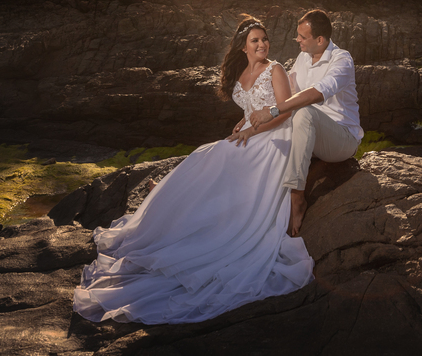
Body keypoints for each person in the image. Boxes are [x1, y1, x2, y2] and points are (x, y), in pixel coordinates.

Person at [73, 16, 314, 325]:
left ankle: (186, 205)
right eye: (255, 40)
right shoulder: (241, 73)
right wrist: (244, 121)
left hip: (276, 140)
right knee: (209, 154)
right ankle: (172, 202)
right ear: (243, 46)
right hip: (255, 133)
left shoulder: (275, 69)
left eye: (264, 39)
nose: (262, 44)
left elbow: (284, 112)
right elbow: (252, 108)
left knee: (219, 153)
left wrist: (251, 132)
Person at [245, 9, 362, 236]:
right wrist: (249, 118)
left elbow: (316, 94)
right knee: (264, 138)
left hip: (342, 139)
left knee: (304, 112)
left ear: (320, 40)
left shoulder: (342, 60)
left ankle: (297, 197)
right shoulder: (303, 57)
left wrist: (273, 111)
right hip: (308, 133)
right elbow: (287, 91)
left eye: (302, 36)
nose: (296, 39)